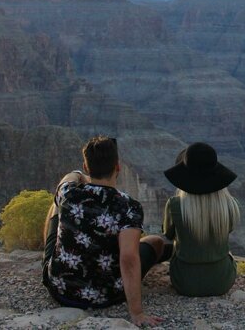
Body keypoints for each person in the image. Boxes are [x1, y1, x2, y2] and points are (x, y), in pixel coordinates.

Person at [42, 136, 168, 327]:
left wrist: (80, 176)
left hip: (61, 290)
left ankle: (57, 258)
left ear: (86, 167)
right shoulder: (129, 207)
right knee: (155, 242)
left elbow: (68, 178)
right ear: (118, 167)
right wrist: (137, 312)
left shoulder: (70, 193)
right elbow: (128, 258)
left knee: (57, 208)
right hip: (109, 295)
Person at [162, 142, 240, 297]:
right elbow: (228, 229)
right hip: (222, 281)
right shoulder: (230, 205)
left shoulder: (175, 205)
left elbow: (167, 234)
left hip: (184, 283)